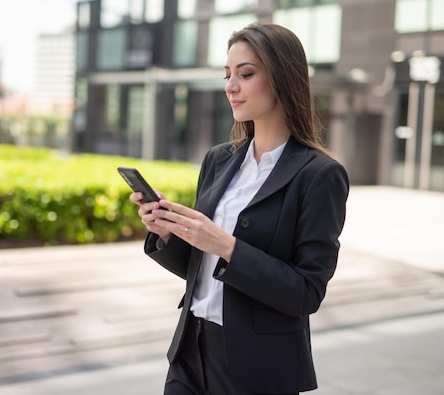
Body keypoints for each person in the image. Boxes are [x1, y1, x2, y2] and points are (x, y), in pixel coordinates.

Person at [130, 23, 349, 395]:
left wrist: (227, 246)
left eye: (245, 74)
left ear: (282, 77)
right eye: (228, 74)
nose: (231, 86)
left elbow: (306, 292)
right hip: (190, 351)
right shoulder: (220, 159)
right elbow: (200, 269)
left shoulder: (320, 175)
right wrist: (167, 232)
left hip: (257, 368)